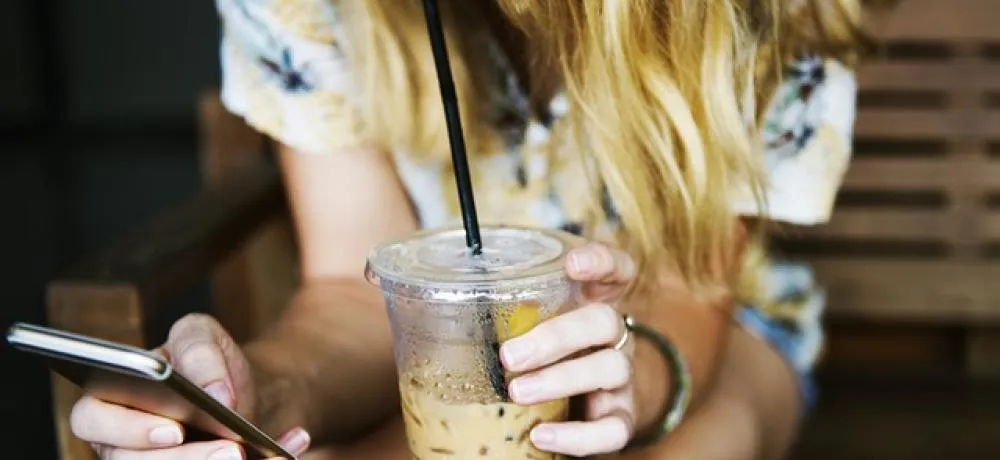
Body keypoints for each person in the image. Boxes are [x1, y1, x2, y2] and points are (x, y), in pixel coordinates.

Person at [69, 0, 868, 458]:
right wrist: (255, 396)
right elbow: (352, 288)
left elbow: (694, 291)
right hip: (432, 351)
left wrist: (622, 381)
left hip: (704, 336)